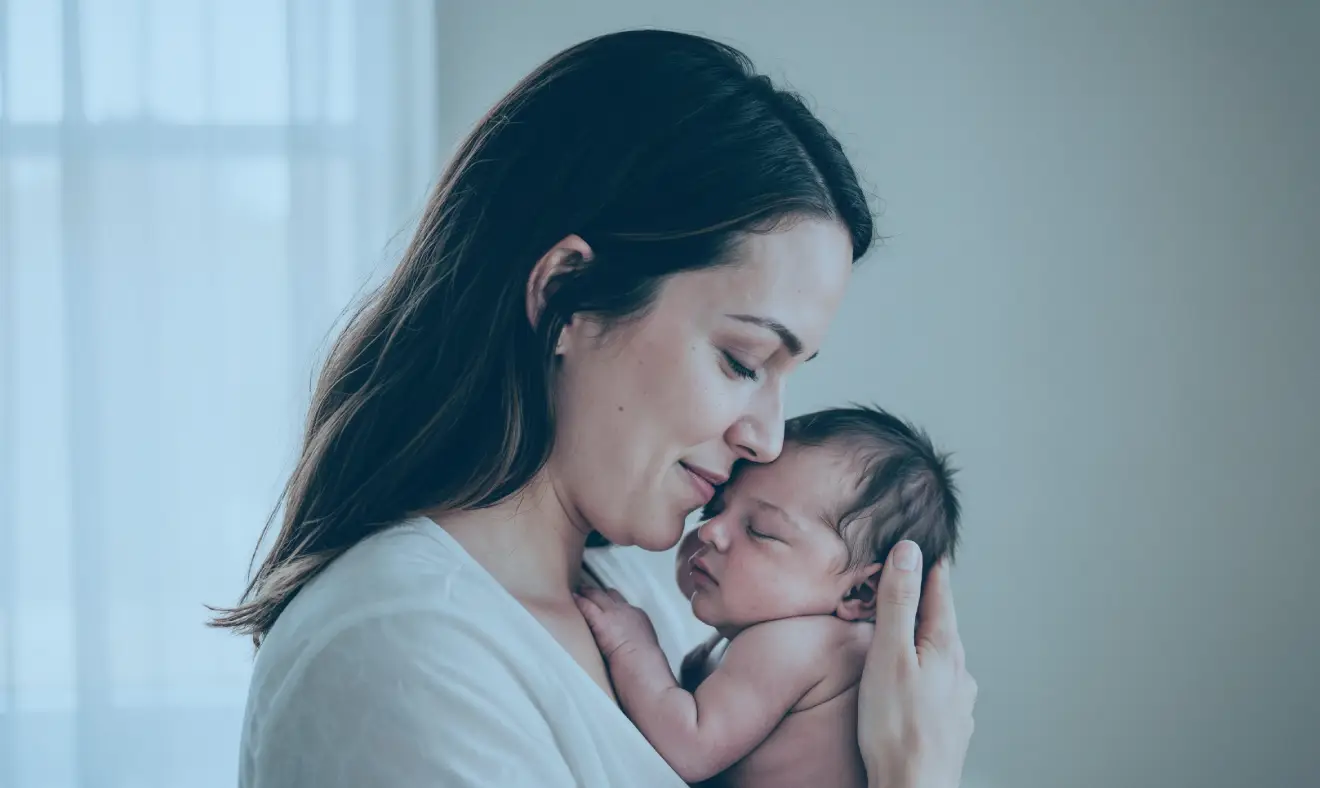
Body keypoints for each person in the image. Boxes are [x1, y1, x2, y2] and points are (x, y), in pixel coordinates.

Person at [211, 29, 976, 788]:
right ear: (567, 295)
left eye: (787, 375)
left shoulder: (654, 599)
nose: (768, 439)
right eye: (742, 360)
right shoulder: (404, 653)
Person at [576, 405, 961, 787]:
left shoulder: (801, 645)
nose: (710, 532)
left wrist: (634, 648)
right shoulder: (799, 639)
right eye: (714, 511)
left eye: (759, 530)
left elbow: (688, 748)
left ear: (859, 591)